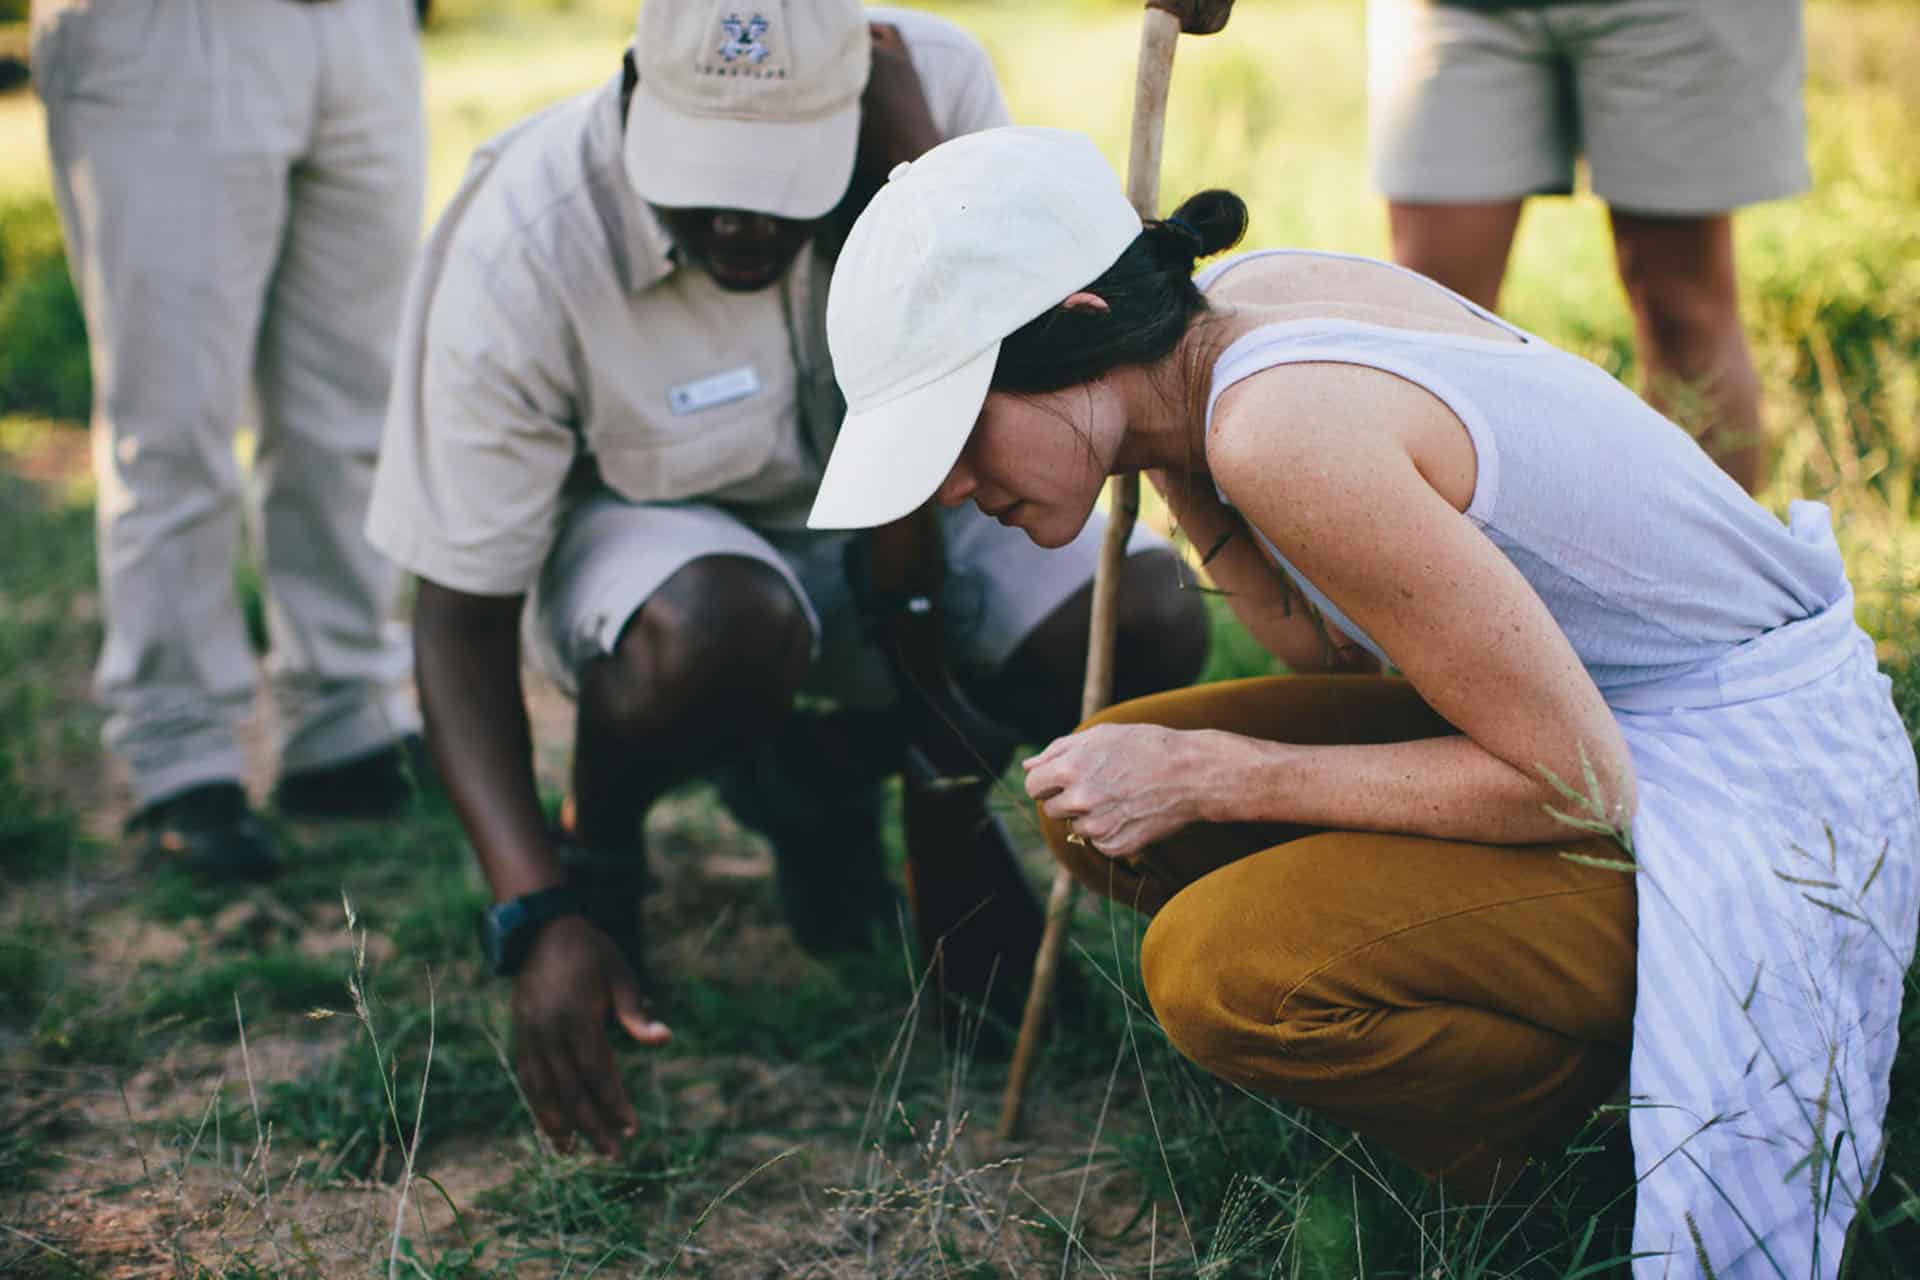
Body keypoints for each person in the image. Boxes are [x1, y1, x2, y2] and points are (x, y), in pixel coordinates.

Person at [806, 126, 1919, 1276]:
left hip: (1746, 790)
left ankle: (1575, 1144)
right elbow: (1319, 650)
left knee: (1220, 962)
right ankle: (1482, 1048)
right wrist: (1153, 441)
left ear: (1082, 327)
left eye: (956, 425)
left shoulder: (1280, 424)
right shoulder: (1228, 322)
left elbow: (1573, 782)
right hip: (1609, 717)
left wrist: (1220, 773)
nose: (943, 486)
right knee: (1107, 781)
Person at [365, 3, 1209, 1157]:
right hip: (672, 554)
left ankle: (824, 785)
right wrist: (537, 906)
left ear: (851, 101)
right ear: (630, 95)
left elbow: (966, 401)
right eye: (703, 171)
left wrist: (942, 791)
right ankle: (607, 841)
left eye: (780, 176)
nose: (738, 214)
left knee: (1149, 614)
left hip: (928, 498)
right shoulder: (525, 236)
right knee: (721, 628)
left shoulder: (932, 92)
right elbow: (457, 614)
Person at [29, 0, 434, 880]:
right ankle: (181, 754)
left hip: (363, 28)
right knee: (174, 420)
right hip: (171, 31)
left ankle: (346, 718)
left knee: (352, 404)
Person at [1366, 0, 1808, 494]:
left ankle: (1721, 566)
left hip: (1674, 12)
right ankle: (1414, 564)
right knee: (1425, 320)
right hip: (1457, 11)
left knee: (1685, 313)